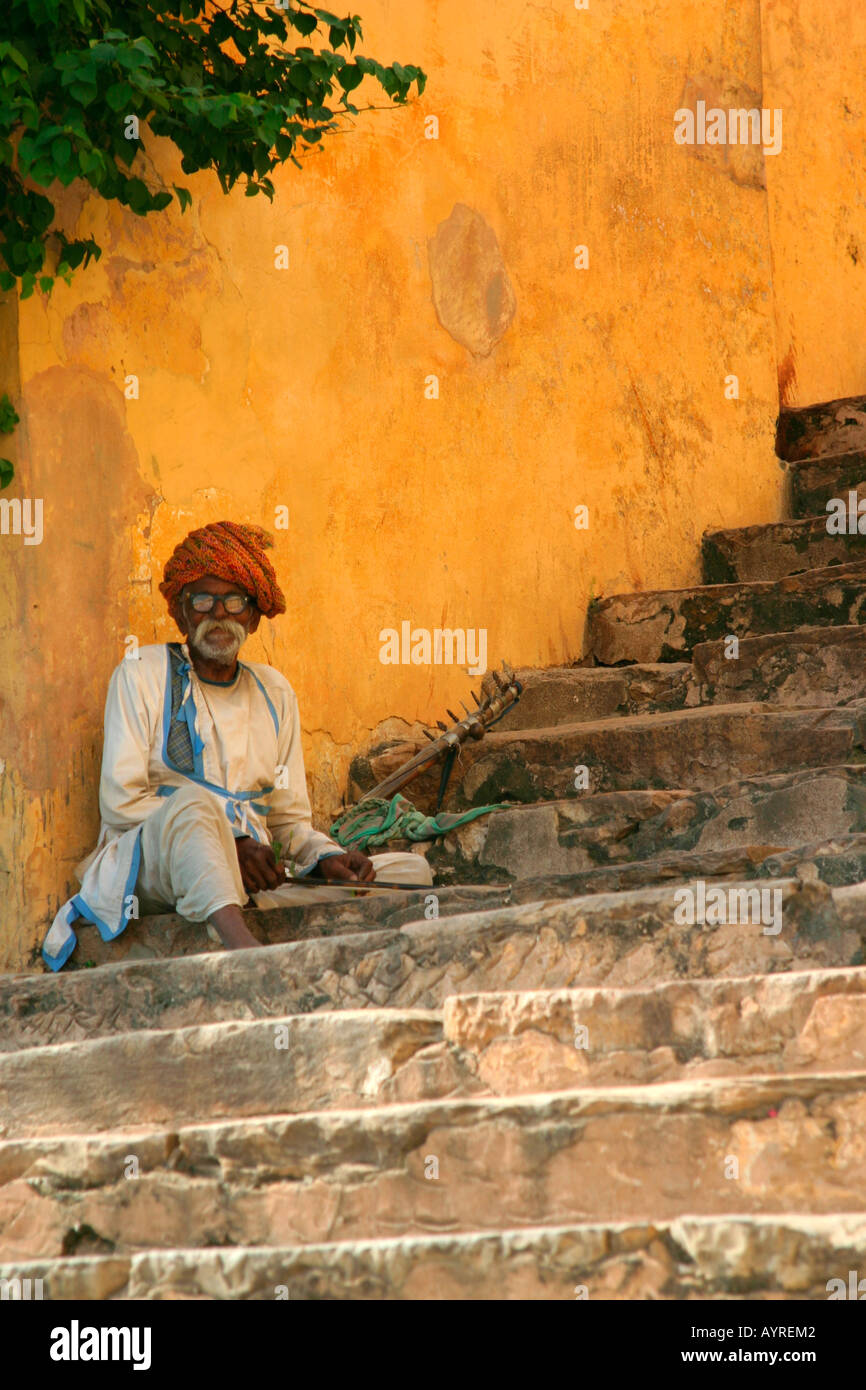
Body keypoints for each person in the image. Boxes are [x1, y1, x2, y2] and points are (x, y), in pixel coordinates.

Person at [42, 521, 432, 970]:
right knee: (193, 807)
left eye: (234, 601)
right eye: (203, 601)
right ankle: (246, 953)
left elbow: (287, 821)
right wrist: (233, 840)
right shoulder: (141, 673)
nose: (219, 615)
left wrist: (326, 859)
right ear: (181, 613)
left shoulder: (275, 692)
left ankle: (244, 912)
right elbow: (119, 805)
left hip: (250, 881)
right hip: (150, 868)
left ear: (253, 616)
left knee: (408, 873)